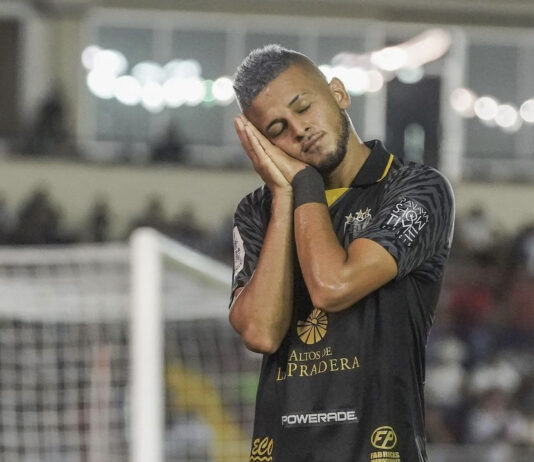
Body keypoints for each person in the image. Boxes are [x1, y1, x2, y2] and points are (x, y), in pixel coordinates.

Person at [229, 44, 454, 462]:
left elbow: (333, 286)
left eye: (304, 107)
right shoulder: (258, 209)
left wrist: (305, 185)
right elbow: (260, 332)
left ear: (338, 93)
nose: (300, 129)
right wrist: (285, 195)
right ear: (263, 144)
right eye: (277, 129)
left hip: (380, 452)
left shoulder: (416, 187)